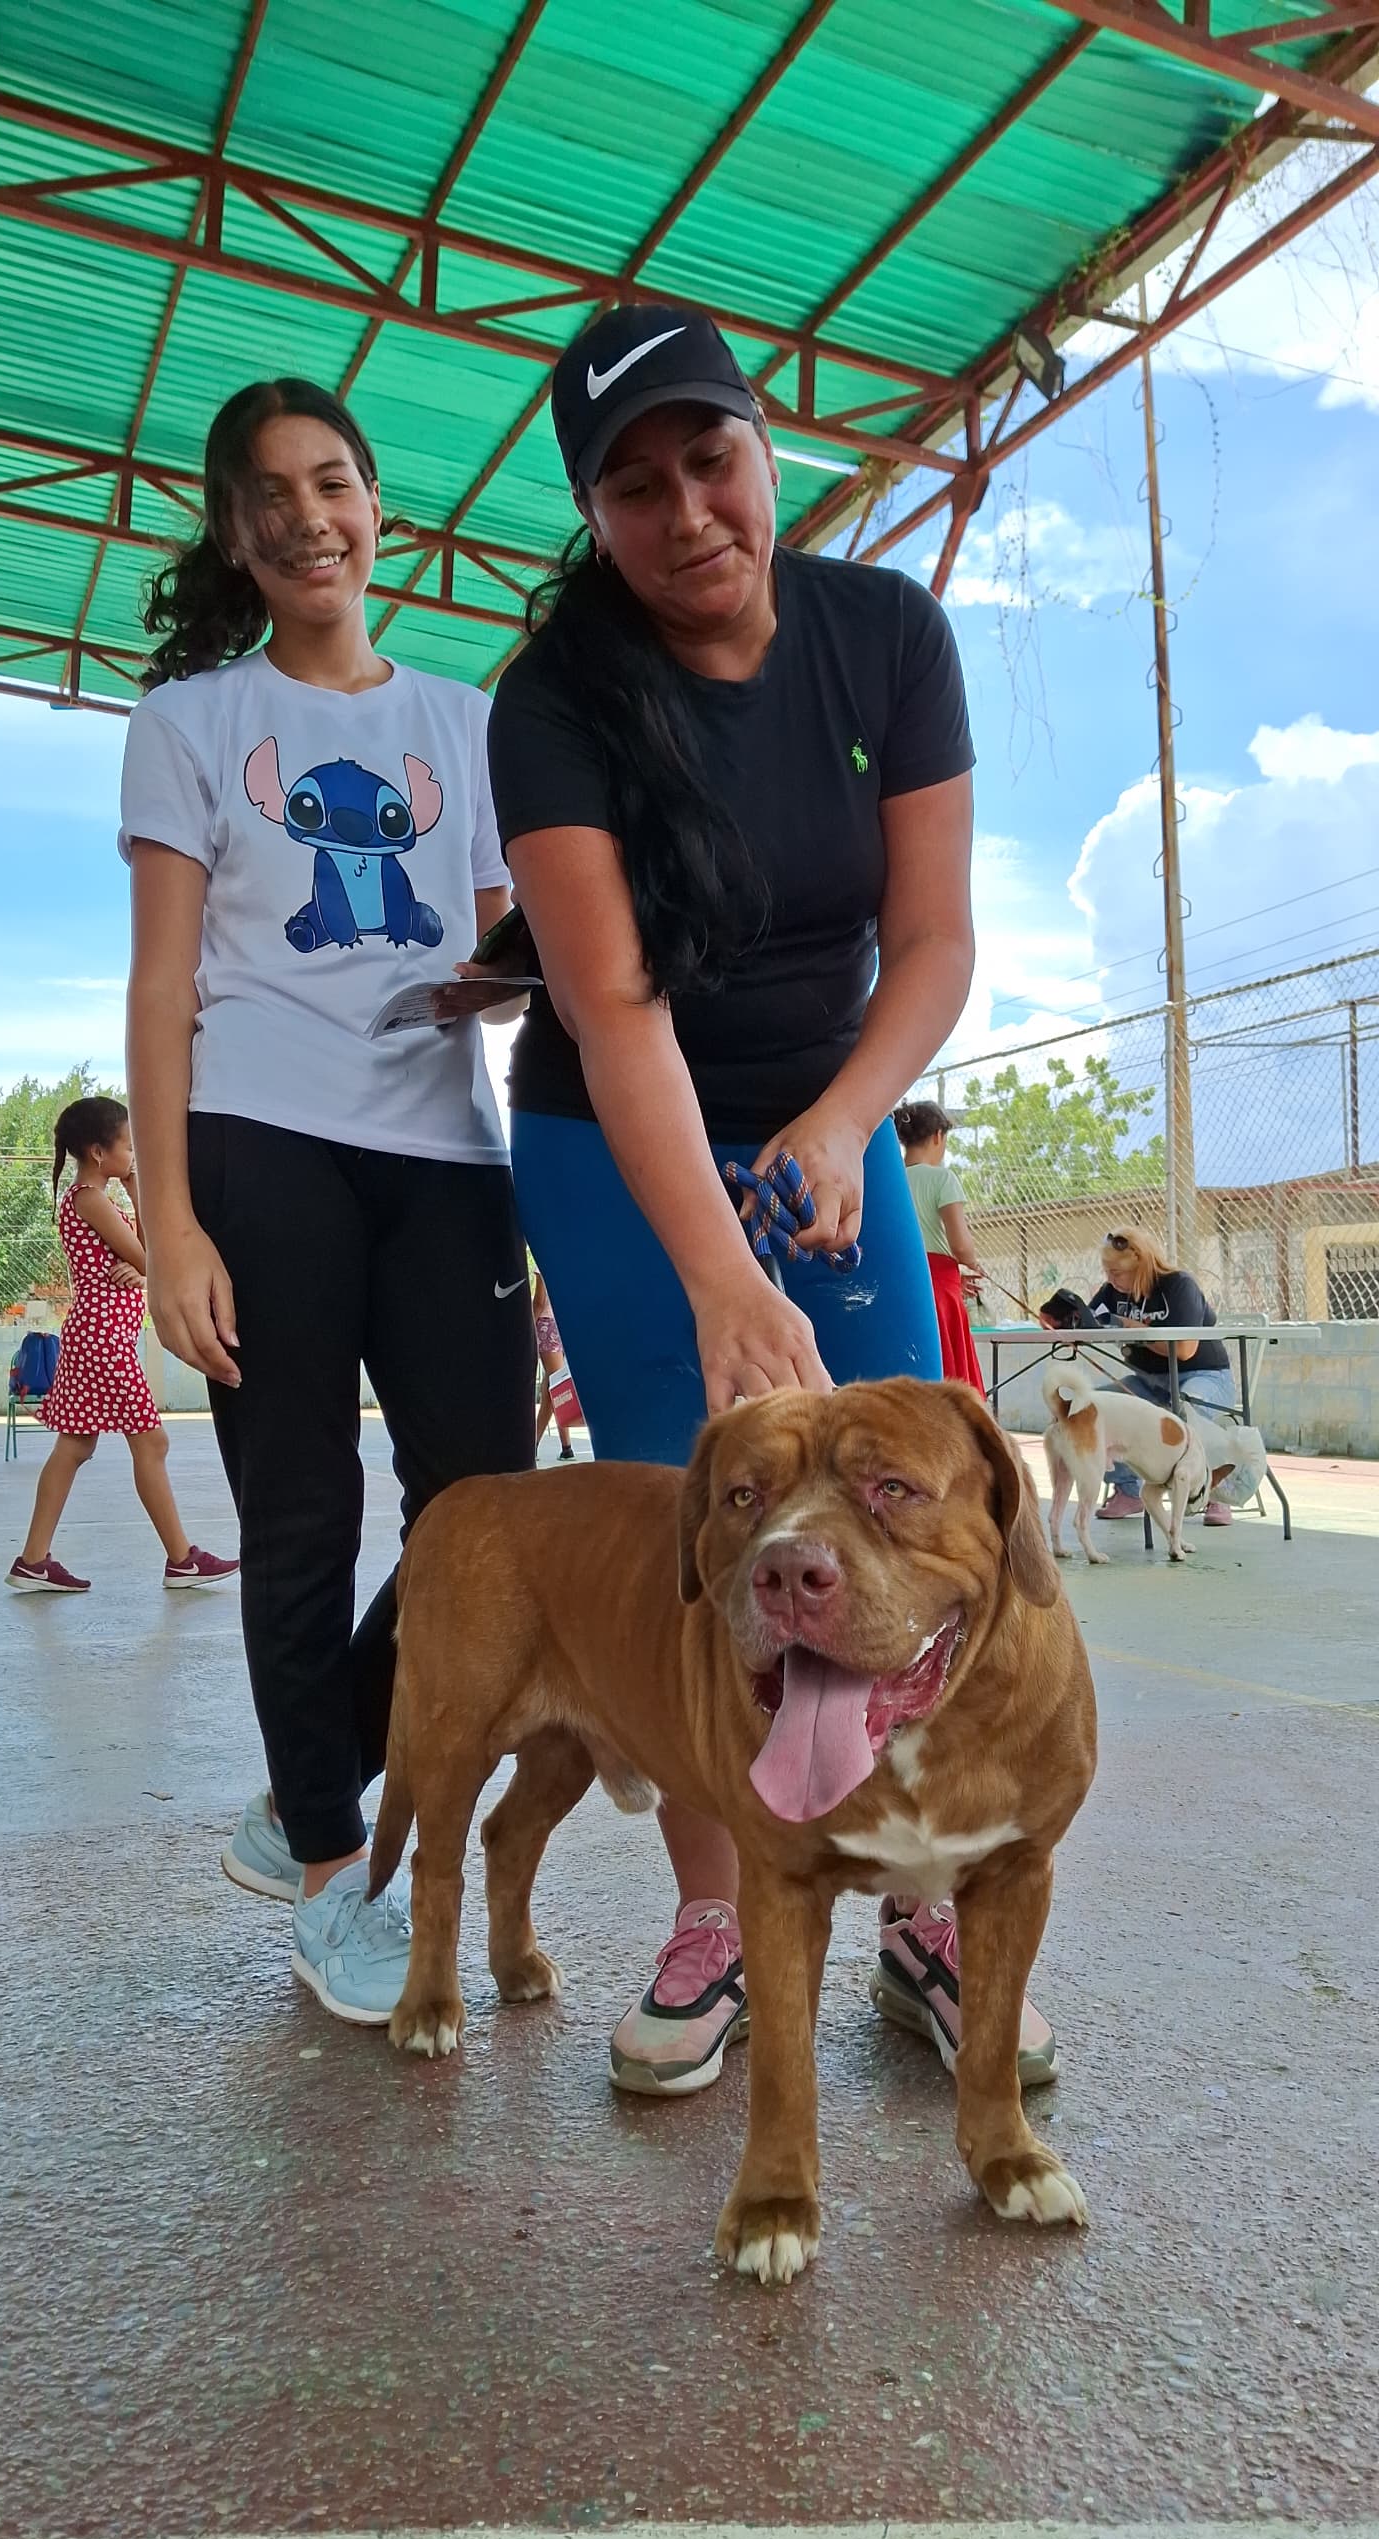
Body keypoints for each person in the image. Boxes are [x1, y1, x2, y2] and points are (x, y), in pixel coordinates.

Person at [487, 302, 1055, 2099]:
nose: (688, 514)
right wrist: (720, 1276)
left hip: (830, 1105)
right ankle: (723, 1911)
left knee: (893, 1508)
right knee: (715, 1522)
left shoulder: (883, 636)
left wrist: (841, 1123)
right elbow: (612, 1005)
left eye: (710, 458)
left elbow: (935, 938)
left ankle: (919, 1901)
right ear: (594, 515)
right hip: (614, 1133)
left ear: (767, 444)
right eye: (633, 489)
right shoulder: (555, 701)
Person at [122, 376, 535, 2028]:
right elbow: (161, 988)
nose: (309, 516)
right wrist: (173, 1225)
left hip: (448, 1151)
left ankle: (318, 1763)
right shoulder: (190, 723)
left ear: (380, 511)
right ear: (236, 535)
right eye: (272, 495)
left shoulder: (465, 722)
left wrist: (507, 977)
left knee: (482, 1513)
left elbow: (501, 951)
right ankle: (326, 1867)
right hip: (261, 1140)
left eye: (335, 482)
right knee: (303, 1515)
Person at [7, 1097, 239, 1594]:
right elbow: (155, 1259)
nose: (134, 1155)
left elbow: (147, 1259)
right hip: (103, 1340)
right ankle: (182, 1559)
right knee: (151, 1442)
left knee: (75, 1445)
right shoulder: (90, 1199)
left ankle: (33, 1561)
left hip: (96, 1336)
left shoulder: (94, 1198)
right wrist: (147, 1268)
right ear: (98, 1152)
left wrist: (136, 1203)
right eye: (128, 1146)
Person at [1089, 1226, 1241, 1527]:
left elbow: (1184, 1349)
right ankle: (1128, 1489)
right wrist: (1062, 1320)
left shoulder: (1178, 1285)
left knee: (1187, 1406)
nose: (1110, 1280)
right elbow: (1087, 1320)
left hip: (1204, 1375)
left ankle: (1213, 1490)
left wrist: (1130, 1327)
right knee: (1095, 1409)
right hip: (1148, 1380)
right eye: (1107, 1272)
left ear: (1140, 1264)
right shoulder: (1112, 1292)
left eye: (1117, 1272)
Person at [895, 1099, 985, 1395]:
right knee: (950, 1375)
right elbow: (961, 1245)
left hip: (901, 1286)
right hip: (941, 1289)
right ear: (938, 1136)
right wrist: (972, 1264)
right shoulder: (942, 1178)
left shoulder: (888, 1181)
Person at [533, 1269, 575, 1458]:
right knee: (554, 1387)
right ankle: (566, 1447)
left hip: (547, 1325)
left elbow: (539, 1302)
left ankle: (534, 1444)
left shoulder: (542, 1265)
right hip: (559, 1325)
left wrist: (528, 1326)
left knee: (555, 1389)